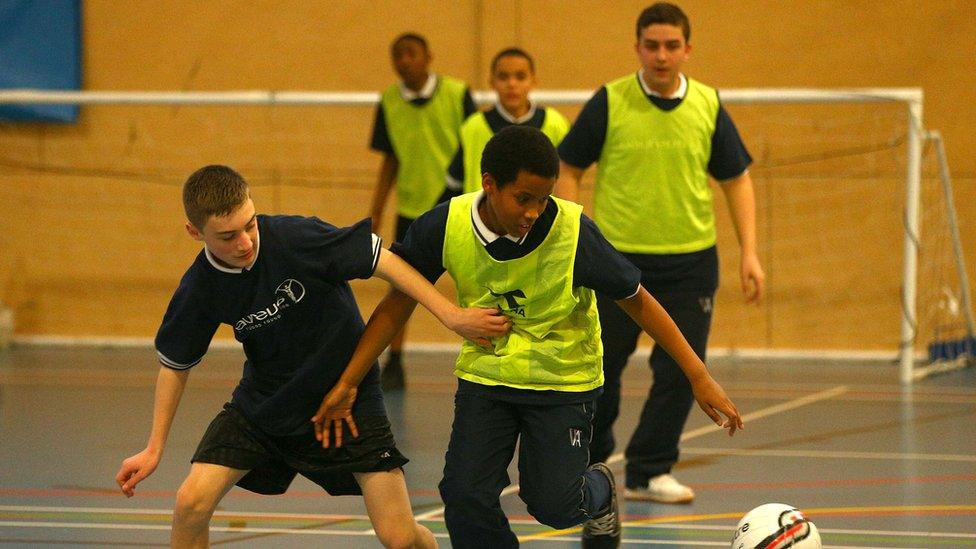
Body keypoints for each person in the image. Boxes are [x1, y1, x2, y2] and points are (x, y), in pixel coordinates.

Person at [313, 126, 743, 548]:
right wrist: (349, 380)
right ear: (489, 184)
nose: (534, 212)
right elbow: (397, 301)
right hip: (488, 376)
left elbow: (638, 299)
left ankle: (599, 489)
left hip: (562, 380)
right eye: (523, 198)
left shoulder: (574, 233)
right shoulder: (447, 223)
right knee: (464, 497)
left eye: (543, 199)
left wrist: (697, 374)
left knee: (553, 505)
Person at [115, 165, 509, 548]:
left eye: (250, 225)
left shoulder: (296, 238)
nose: (246, 242)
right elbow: (175, 366)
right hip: (266, 404)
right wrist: (154, 447)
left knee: (401, 537)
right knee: (190, 504)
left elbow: (385, 262)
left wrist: (451, 315)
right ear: (194, 232)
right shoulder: (200, 287)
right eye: (228, 236)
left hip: (347, 398)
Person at [555, 2, 764, 504]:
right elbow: (568, 166)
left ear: (687, 50)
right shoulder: (610, 101)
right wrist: (572, 236)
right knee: (600, 369)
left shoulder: (709, 105)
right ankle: (590, 466)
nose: (662, 55)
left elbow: (736, 179)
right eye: (652, 45)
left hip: (691, 263)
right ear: (637, 49)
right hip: (617, 262)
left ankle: (649, 470)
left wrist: (750, 253)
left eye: (672, 46)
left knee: (681, 370)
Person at [369, 32, 478, 390]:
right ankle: (394, 361)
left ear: (429, 56)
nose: (404, 60)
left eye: (411, 53)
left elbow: (476, 144)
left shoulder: (457, 95)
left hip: (457, 208)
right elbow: (390, 160)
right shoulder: (388, 101)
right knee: (402, 287)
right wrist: (376, 209)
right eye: (397, 54)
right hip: (412, 211)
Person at [445, 47, 570, 195]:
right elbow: (454, 182)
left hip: (543, 216)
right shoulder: (473, 127)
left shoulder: (556, 124)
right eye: (503, 77)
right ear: (491, 82)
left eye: (520, 77)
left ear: (533, 81)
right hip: (483, 217)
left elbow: (567, 179)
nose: (511, 84)